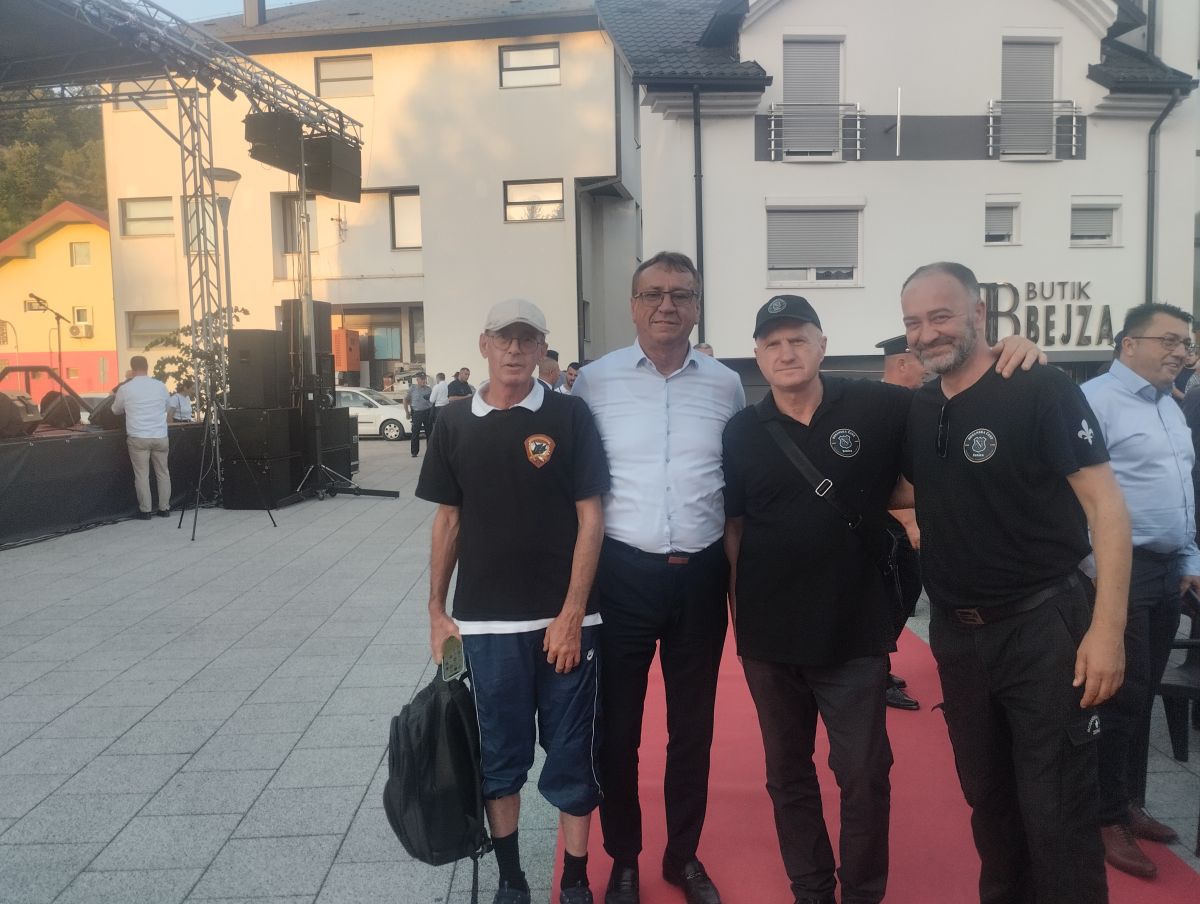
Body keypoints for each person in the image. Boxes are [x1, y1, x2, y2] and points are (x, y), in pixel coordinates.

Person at [900, 261, 1131, 904]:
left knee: (1058, 808)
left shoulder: (1041, 386)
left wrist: (1107, 632)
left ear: (979, 312)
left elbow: (1107, 509)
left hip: (1043, 627)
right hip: (957, 636)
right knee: (990, 803)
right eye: (913, 321)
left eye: (941, 315)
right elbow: (909, 490)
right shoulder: (920, 407)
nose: (926, 333)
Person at [417, 298, 610, 904]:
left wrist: (572, 614)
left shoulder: (570, 414)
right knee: (500, 759)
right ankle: (511, 879)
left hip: (566, 625)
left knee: (573, 756)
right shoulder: (453, 423)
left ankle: (574, 880)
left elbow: (591, 518)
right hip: (486, 626)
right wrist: (436, 611)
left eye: (528, 340)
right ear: (484, 345)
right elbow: (449, 521)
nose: (516, 350)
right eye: (505, 338)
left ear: (542, 349)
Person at [722, 298, 910, 904]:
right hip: (770, 638)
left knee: (864, 774)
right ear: (757, 355)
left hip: (854, 631)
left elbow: (951, 412)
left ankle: (862, 893)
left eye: (798, 339)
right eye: (772, 343)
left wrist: (1011, 356)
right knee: (788, 774)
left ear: (822, 344)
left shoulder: (877, 406)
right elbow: (734, 528)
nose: (786, 353)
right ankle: (810, 889)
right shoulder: (742, 431)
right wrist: (741, 615)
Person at [572, 251, 745, 904]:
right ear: (633, 305)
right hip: (622, 576)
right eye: (653, 294)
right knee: (617, 730)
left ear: (697, 305)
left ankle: (682, 856)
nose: (667, 305)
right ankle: (624, 857)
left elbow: (736, 485)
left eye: (681, 294)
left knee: (692, 730)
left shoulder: (726, 385)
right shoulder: (594, 383)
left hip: (700, 578)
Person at [1081, 303, 1200, 878]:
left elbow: (1182, 488)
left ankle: (1129, 801)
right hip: (1118, 572)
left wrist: (1190, 556)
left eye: (1186, 343)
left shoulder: (1168, 406)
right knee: (1118, 696)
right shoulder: (1094, 401)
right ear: (1129, 343)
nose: (1181, 352)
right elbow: (1073, 493)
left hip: (1166, 570)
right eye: (1169, 340)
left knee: (1144, 691)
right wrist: (1095, 570)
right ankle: (1104, 816)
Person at [876, 335, 923, 712]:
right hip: (888, 526)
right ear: (903, 363)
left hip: (904, 524)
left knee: (906, 593)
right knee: (890, 599)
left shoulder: (912, 403)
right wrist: (909, 522)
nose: (928, 372)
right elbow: (881, 476)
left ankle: (878, 669)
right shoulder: (879, 407)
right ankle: (874, 674)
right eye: (922, 363)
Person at [112, 355, 172, 520]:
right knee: (163, 473)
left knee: (142, 475)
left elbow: (116, 410)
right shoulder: (160, 386)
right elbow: (167, 407)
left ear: (132, 369)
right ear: (147, 367)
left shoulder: (125, 389)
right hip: (160, 435)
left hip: (138, 437)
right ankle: (164, 509)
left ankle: (145, 511)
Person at [405, 372, 434, 458]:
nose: (424, 381)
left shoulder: (429, 389)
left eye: (424, 379)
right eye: (422, 379)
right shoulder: (412, 389)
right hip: (417, 413)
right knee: (415, 433)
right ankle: (414, 452)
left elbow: (432, 401)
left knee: (429, 433)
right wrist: (407, 412)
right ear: (417, 380)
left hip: (427, 412)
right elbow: (405, 400)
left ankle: (430, 452)